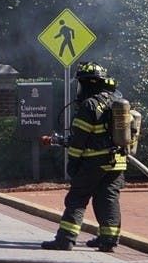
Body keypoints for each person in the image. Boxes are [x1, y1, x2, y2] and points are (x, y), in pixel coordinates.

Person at [42, 62, 127, 252]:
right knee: (107, 198)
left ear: (89, 84)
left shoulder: (90, 105)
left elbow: (79, 140)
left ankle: (65, 239)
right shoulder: (116, 100)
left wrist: (73, 163)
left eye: (81, 84)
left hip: (94, 162)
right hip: (118, 161)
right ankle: (109, 240)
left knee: (77, 198)